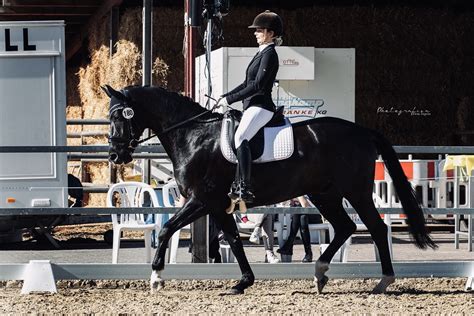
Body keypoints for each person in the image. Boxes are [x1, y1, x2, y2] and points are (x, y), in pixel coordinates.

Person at [217, 10, 283, 203]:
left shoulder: (270, 54)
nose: (255, 33)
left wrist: (231, 100)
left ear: (271, 33)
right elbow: (247, 82)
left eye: (259, 30)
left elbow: (258, 85)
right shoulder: (261, 53)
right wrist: (226, 96)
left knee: (240, 136)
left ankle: (245, 186)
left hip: (262, 106)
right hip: (252, 105)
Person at [277, 196, 322, 262]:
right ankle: (308, 253)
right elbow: (283, 203)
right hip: (300, 216)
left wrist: (298, 196)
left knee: (300, 213)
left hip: (314, 214)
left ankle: (289, 245)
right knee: (301, 217)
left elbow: (305, 205)